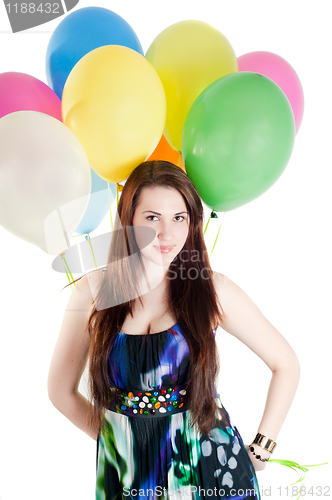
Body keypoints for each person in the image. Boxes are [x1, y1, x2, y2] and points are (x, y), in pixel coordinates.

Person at [47, 160, 300, 500]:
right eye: (152, 218)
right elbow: (60, 391)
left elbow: (286, 363)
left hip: (213, 469)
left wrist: (262, 448)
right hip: (132, 478)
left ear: (192, 222)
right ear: (129, 220)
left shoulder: (211, 289)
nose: (167, 234)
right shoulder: (94, 292)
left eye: (179, 218)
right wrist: (120, 441)